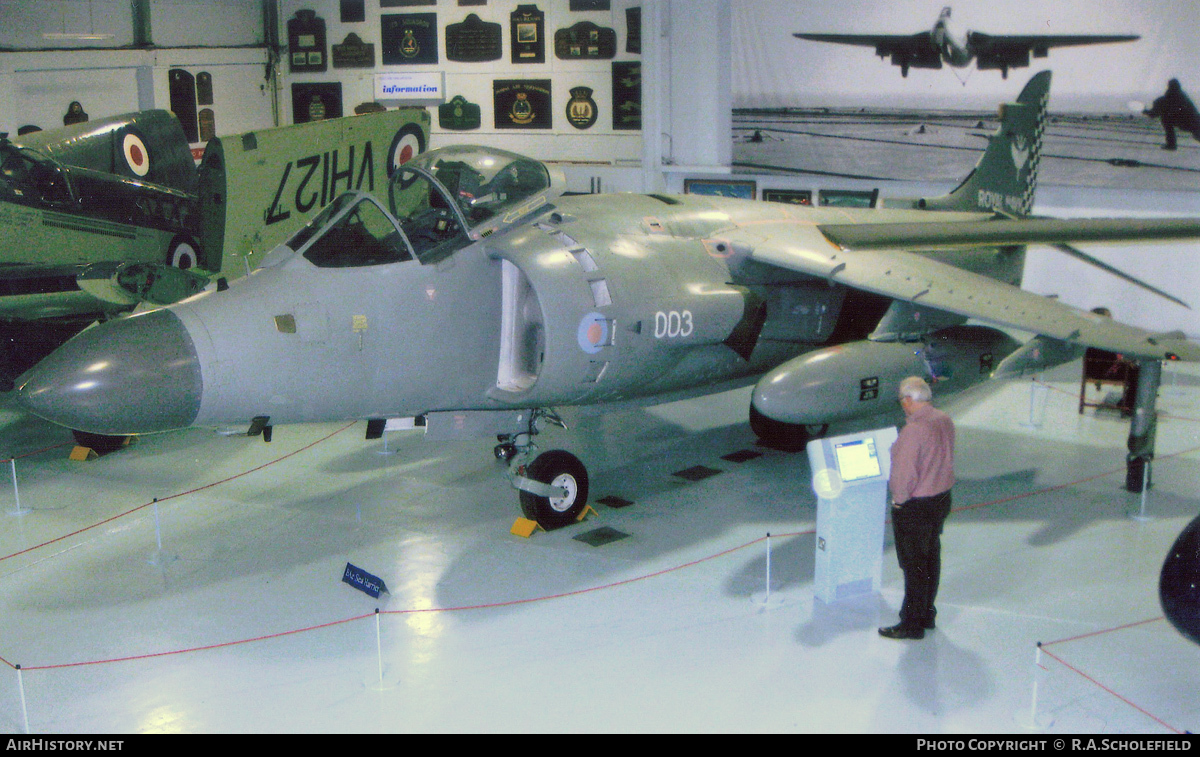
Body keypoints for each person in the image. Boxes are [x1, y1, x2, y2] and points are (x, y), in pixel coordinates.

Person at [879, 376, 955, 641]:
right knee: (931, 559)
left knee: (913, 566)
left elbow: (904, 474)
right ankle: (926, 614)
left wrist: (899, 500)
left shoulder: (913, 431)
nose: (902, 405)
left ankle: (911, 624)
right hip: (941, 499)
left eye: (902, 400)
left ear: (909, 400)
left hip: (916, 506)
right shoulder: (943, 419)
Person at [1144, 79, 1200, 151]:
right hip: (1192, 120)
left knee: (1166, 120)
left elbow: (1157, 112)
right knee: (1196, 133)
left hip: (1188, 121)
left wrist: (1148, 112)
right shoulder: (1181, 95)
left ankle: (1171, 144)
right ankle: (1171, 144)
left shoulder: (1170, 97)